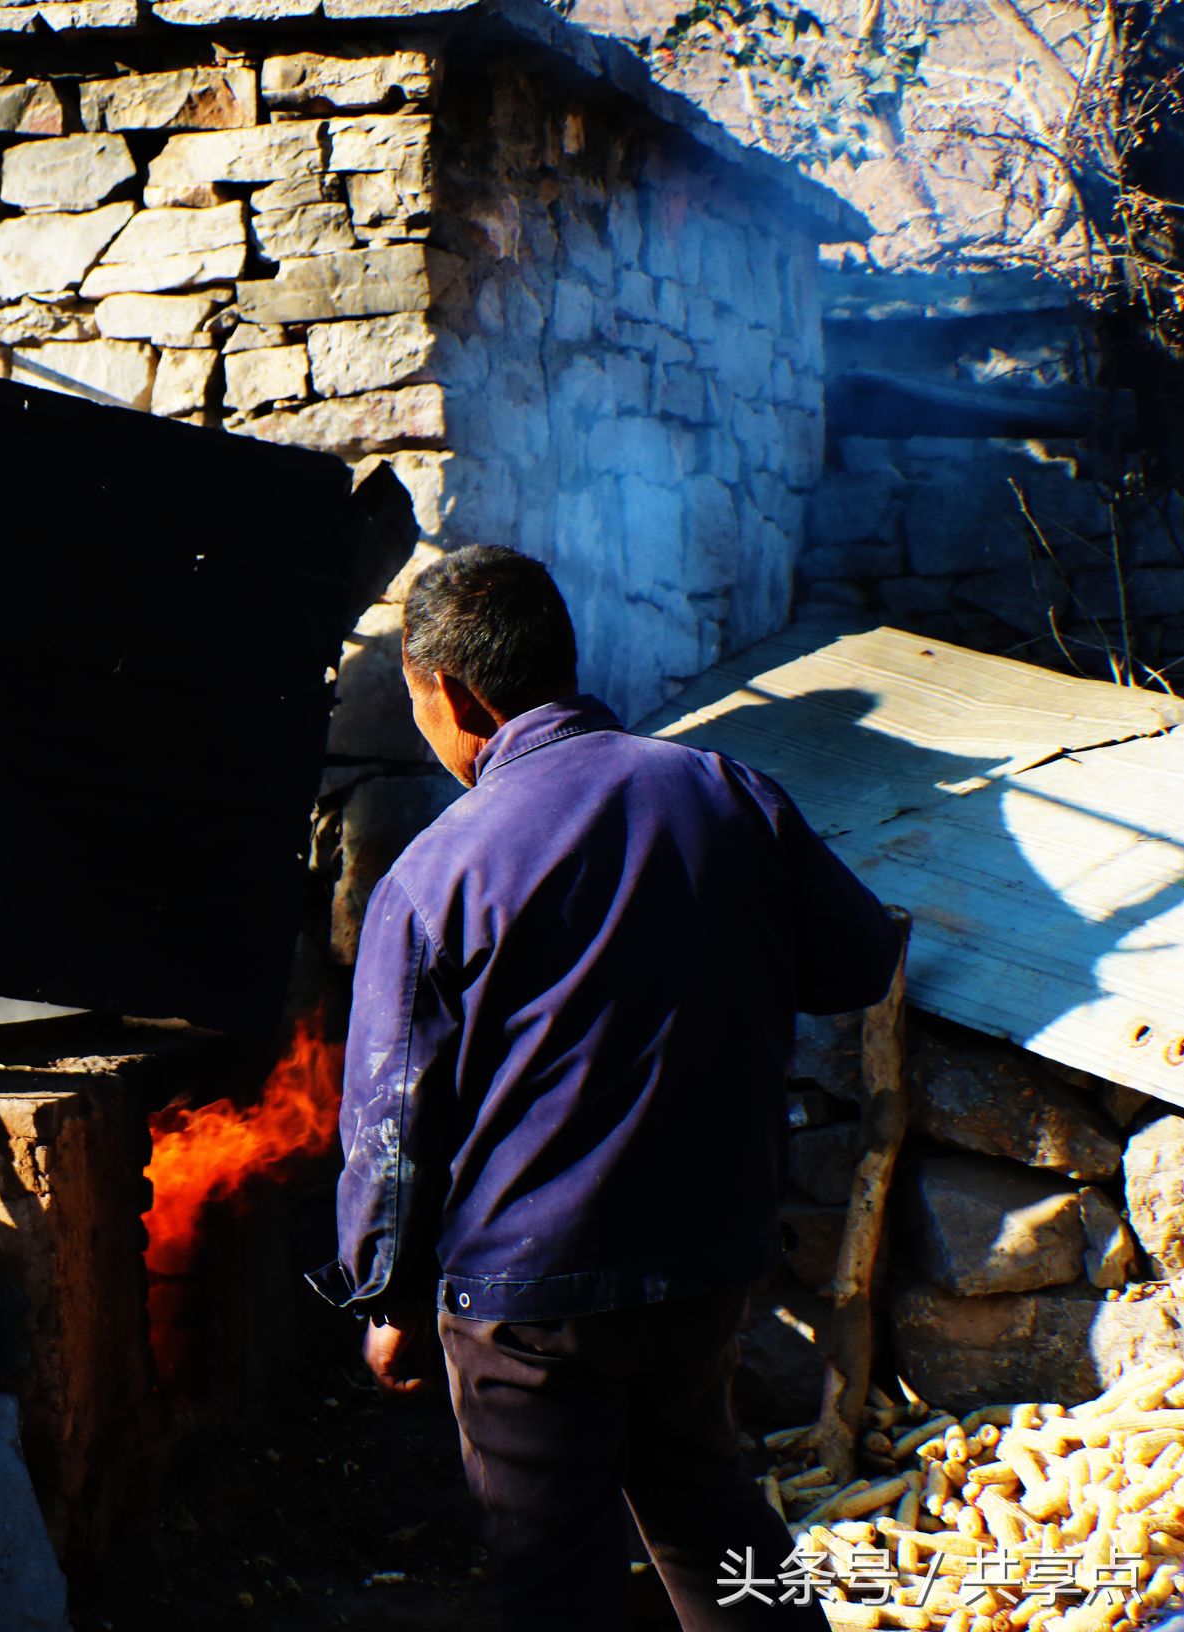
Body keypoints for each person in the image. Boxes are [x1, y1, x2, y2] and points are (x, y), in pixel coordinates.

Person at [319, 546, 901, 1630]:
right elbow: (857, 963)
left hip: (527, 1303)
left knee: (554, 1575)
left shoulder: (435, 874)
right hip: (702, 1263)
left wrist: (383, 1295)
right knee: (702, 1507)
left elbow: (390, 1124)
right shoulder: (722, 791)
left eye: (412, 702)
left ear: (451, 692)